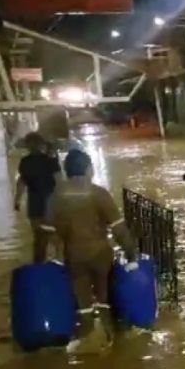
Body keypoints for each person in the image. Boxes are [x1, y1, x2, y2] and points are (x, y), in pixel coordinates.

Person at [41, 150, 139, 352]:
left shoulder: (55, 197)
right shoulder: (98, 193)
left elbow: (49, 235)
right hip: (100, 254)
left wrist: (50, 260)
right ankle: (110, 340)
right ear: (88, 169)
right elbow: (119, 229)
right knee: (104, 298)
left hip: (74, 256)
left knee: (83, 300)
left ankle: (87, 338)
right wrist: (132, 255)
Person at [14, 133, 62, 263]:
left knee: (39, 237)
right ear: (42, 144)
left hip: (34, 203)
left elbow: (21, 182)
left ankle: (39, 266)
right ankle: (60, 266)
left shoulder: (25, 162)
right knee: (55, 237)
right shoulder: (50, 161)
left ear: (28, 146)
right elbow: (59, 181)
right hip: (51, 202)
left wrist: (17, 201)